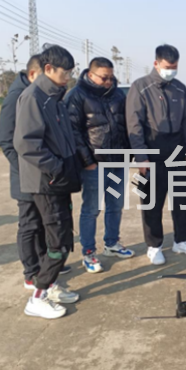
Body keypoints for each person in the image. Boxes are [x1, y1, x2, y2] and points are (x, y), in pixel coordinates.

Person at [14, 44, 81, 319]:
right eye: (65, 72)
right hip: (46, 182)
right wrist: (56, 168)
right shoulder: (33, 97)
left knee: (62, 238)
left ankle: (51, 286)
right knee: (58, 243)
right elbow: (25, 143)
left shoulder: (54, 97)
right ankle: (37, 297)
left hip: (59, 181)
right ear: (49, 69)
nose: (68, 77)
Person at [0, 55, 72, 289]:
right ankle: (31, 272)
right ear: (35, 74)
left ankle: (45, 264)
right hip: (28, 174)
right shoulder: (20, 97)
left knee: (44, 224)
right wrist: (27, 170)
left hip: (42, 174)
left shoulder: (48, 97)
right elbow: (9, 141)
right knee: (29, 224)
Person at [126, 44, 186, 265]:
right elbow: (134, 124)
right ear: (156, 63)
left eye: (175, 67)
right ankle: (154, 245)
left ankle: (182, 240)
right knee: (152, 202)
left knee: (182, 200)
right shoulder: (140, 87)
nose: (171, 71)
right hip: (152, 151)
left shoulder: (179, 88)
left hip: (175, 150)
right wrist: (141, 157)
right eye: (168, 67)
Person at [66, 57, 134, 274]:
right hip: (95, 165)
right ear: (91, 74)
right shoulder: (77, 96)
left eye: (111, 77)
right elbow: (73, 133)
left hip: (118, 162)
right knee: (91, 209)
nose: (108, 82)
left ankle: (112, 243)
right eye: (104, 78)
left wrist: (129, 154)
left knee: (115, 205)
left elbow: (127, 126)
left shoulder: (117, 95)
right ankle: (88, 252)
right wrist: (87, 162)